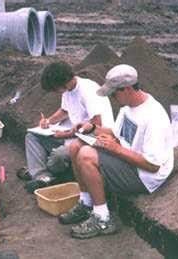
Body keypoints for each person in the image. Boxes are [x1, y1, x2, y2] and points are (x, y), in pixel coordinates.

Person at [59, 64, 174, 239]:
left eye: (114, 93)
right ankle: (86, 202)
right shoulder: (128, 106)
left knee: (86, 155)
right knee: (76, 146)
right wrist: (91, 128)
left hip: (144, 176)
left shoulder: (153, 117)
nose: (112, 98)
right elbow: (116, 133)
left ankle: (102, 219)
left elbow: (153, 166)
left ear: (127, 89)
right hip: (130, 160)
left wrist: (115, 148)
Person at [20, 61, 114, 193]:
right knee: (32, 137)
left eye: (54, 88)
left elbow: (96, 125)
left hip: (93, 139)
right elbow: (65, 110)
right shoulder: (68, 89)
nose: (55, 92)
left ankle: (42, 170)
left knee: (58, 157)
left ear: (61, 83)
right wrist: (49, 121)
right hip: (73, 135)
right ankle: (43, 176)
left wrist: (66, 135)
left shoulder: (88, 90)